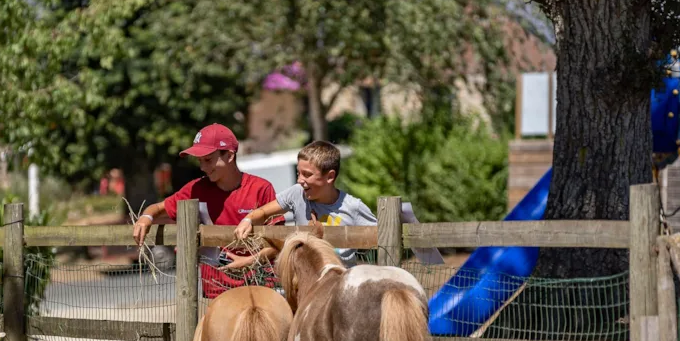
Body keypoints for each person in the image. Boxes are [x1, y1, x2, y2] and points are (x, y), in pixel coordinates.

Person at [233, 140, 445, 267]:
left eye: (307, 174)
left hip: (340, 281)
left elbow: (384, 239)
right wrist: (248, 219)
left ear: (329, 177)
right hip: (303, 278)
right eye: (299, 173)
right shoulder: (297, 193)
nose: (299, 180)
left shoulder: (352, 207)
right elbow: (263, 211)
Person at [132, 123, 283, 298]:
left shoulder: (261, 189)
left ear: (229, 156)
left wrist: (248, 262)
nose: (202, 167)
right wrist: (146, 217)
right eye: (200, 161)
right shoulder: (196, 189)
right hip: (216, 291)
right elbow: (158, 208)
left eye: (208, 160)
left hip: (259, 285)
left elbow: (279, 242)